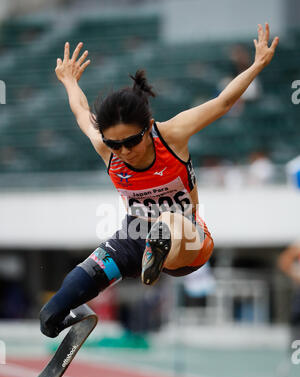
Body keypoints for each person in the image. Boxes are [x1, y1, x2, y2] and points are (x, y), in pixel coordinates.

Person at [40, 24, 279, 338]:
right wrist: (69, 81)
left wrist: (256, 65)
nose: (124, 151)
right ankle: (78, 316)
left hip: (189, 238)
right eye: (116, 145)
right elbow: (82, 111)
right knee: (50, 314)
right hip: (134, 234)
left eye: (132, 141)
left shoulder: (172, 134)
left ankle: (159, 247)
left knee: (166, 222)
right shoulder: (105, 147)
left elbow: (222, 103)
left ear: (149, 127)